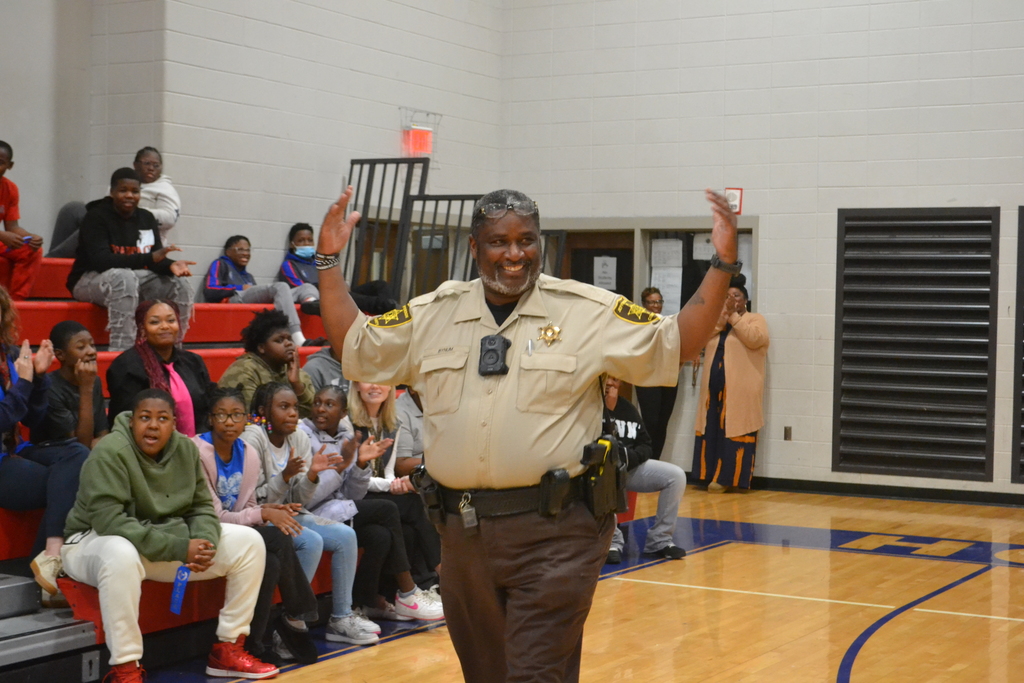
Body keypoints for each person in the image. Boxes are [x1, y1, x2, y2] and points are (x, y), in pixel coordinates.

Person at [314, 185, 738, 683]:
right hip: (463, 537)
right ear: (474, 248)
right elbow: (355, 345)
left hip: (557, 534)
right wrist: (327, 261)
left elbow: (679, 341)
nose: (514, 255)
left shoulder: (586, 310)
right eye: (499, 242)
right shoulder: (433, 313)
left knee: (532, 673)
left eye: (527, 241)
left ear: (542, 245)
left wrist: (722, 263)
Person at [61, 389, 278, 682]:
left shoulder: (186, 449)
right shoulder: (110, 451)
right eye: (145, 418)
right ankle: (126, 669)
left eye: (162, 418)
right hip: (91, 542)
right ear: (132, 421)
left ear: (174, 423)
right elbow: (110, 522)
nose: (153, 425)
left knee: (250, 542)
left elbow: (202, 506)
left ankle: (227, 649)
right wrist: (179, 548)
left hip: (158, 542)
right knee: (120, 552)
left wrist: (205, 546)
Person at [241, 382, 382, 648]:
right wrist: (284, 477)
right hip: (260, 516)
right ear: (263, 411)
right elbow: (255, 498)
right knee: (311, 540)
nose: (293, 413)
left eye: (294, 407)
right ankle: (291, 624)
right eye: (284, 407)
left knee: (345, 535)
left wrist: (312, 475)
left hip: (291, 512)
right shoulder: (252, 439)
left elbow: (299, 499)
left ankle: (340, 618)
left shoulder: (299, 438)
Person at [194, 387, 319, 666]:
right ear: (211, 419)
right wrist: (262, 514)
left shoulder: (248, 452)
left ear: (246, 419)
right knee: (276, 538)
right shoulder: (196, 451)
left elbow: (246, 506)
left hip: (235, 531)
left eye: (237, 415)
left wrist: (268, 511)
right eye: (222, 415)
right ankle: (299, 611)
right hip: (201, 529)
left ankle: (254, 643)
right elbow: (213, 515)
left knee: (272, 561)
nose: (229, 422)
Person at [300, 385, 443, 622]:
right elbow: (307, 496)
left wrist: (360, 466)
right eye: (317, 403)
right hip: (314, 511)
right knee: (391, 509)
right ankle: (412, 591)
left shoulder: (350, 435)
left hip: (342, 505)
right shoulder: (305, 436)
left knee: (382, 535)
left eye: (329, 404)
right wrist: (347, 467)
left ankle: (366, 601)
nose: (321, 409)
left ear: (342, 412)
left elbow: (352, 492)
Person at [0, 293, 90, 607]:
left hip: (14, 448)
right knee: (66, 484)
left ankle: (51, 556)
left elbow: (33, 417)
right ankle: (46, 567)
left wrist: (38, 379)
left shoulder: (9, 354)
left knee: (77, 454)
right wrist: (25, 382)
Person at [66, 167, 195, 352]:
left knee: (179, 284)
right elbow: (101, 261)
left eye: (135, 191)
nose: (129, 196)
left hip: (129, 278)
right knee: (123, 277)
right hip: (88, 279)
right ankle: (123, 352)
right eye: (123, 190)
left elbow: (153, 258)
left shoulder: (146, 218)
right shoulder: (96, 216)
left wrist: (171, 265)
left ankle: (173, 349)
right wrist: (149, 258)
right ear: (111, 192)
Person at [348, 382, 442, 592]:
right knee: (412, 504)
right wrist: (392, 485)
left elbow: (388, 470)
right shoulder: (348, 423)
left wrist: (396, 483)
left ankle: (418, 588)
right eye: (366, 380)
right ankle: (440, 574)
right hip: (351, 494)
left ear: (390, 387)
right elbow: (353, 479)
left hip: (375, 492)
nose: (374, 386)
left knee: (405, 529)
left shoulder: (392, 421)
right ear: (355, 386)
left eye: (381, 381)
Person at [692, 276, 769, 493]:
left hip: (740, 391)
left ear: (745, 300)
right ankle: (706, 474)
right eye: (726, 296)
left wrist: (734, 316)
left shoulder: (755, 319)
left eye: (736, 296)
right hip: (713, 390)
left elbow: (754, 339)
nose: (731, 299)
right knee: (711, 428)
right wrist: (723, 315)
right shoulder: (717, 320)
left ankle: (728, 479)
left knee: (734, 430)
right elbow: (704, 334)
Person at [601, 376, 687, 564]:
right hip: (602, 472)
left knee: (676, 476)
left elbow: (646, 444)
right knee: (606, 473)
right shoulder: (591, 408)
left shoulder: (628, 409)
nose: (610, 384)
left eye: (615, 380)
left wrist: (630, 458)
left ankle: (659, 540)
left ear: (621, 383)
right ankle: (611, 541)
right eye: (606, 379)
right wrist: (607, 408)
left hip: (630, 468)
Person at [106, 300, 213, 436]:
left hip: (197, 446)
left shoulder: (193, 362)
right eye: (155, 322)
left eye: (171, 321)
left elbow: (206, 410)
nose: (165, 326)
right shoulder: (126, 366)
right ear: (142, 329)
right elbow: (125, 420)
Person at [204, 235, 311, 346]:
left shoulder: (248, 276)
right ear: (228, 252)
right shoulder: (220, 264)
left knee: (306, 287)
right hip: (233, 301)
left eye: (247, 250)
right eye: (240, 249)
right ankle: (297, 338)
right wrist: (240, 288)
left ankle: (314, 311)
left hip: (247, 310)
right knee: (280, 287)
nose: (245, 253)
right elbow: (210, 291)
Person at [279, 222, 396, 316]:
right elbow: (302, 289)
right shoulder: (289, 265)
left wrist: (340, 284)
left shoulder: (319, 262)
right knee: (334, 291)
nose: (306, 243)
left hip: (337, 294)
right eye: (301, 240)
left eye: (310, 240)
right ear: (292, 244)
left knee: (379, 285)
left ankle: (387, 311)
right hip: (319, 299)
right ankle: (388, 307)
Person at [218, 309, 316, 417]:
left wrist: (297, 385)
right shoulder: (244, 370)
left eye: (290, 339)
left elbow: (314, 417)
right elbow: (247, 418)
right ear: (261, 348)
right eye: (279, 340)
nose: (288, 344)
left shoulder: (296, 373)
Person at [30, 321, 108, 448]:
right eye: (81, 347)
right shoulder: (50, 387)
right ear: (61, 355)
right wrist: (86, 388)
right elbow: (81, 445)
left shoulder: (94, 380)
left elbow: (103, 433)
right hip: (52, 452)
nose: (91, 351)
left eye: (92, 345)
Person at [633, 287, 678, 461]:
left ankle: (656, 460)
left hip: (667, 375)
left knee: (662, 422)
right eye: (652, 302)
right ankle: (645, 459)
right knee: (650, 421)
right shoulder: (637, 323)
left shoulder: (669, 322)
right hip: (647, 376)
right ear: (644, 304)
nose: (656, 305)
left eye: (659, 301)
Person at [0, 140, 44, 300]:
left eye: (0, 162)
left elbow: (12, 226)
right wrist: (3, 236)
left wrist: (29, 237)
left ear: (9, 166)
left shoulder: (10, 189)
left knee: (32, 250)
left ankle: (16, 302)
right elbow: (5, 234)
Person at [134, 146, 181, 243]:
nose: (151, 168)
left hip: (151, 244)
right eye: (147, 163)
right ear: (135, 165)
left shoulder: (165, 188)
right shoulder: (123, 182)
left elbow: (169, 218)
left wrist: (135, 213)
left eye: (156, 165)